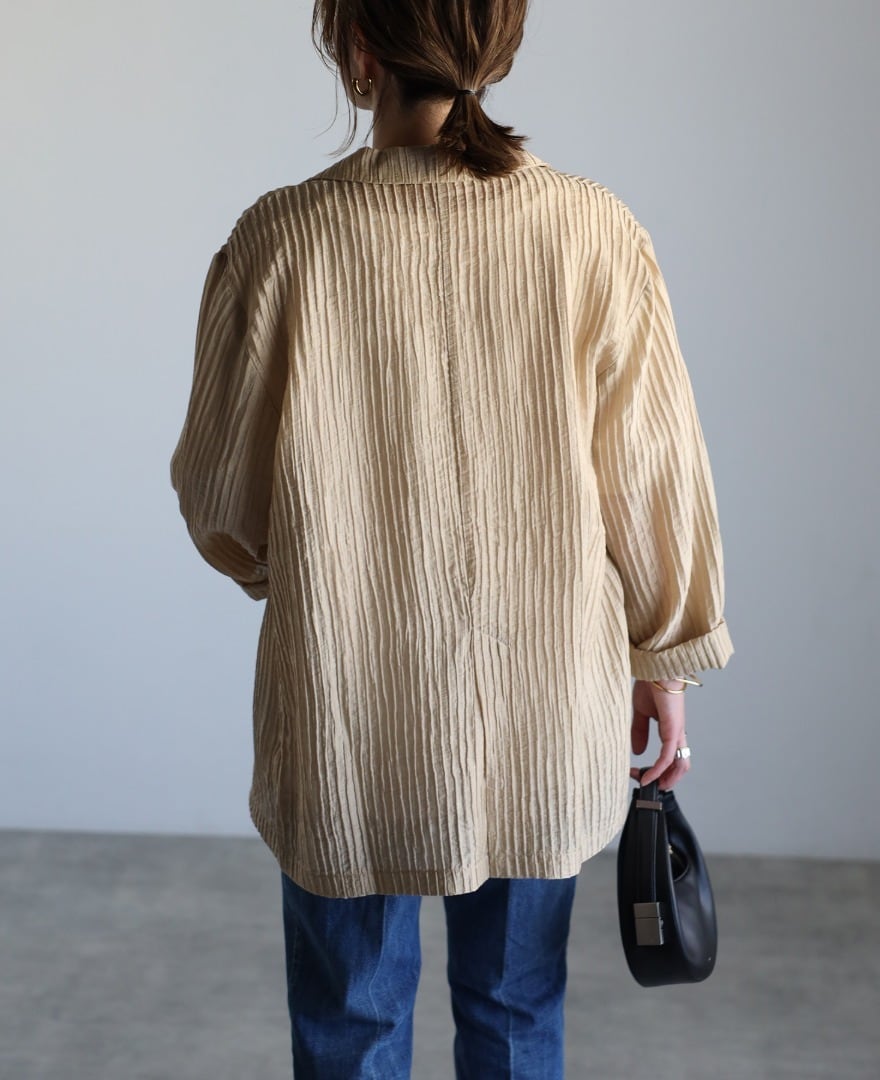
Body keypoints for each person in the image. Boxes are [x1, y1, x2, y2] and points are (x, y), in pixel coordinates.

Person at [170, 1, 734, 1076]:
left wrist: (316, 562)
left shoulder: (282, 240)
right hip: (543, 706)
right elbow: (655, 473)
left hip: (348, 707)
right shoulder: (592, 230)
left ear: (358, 49)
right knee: (517, 1013)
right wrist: (664, 658)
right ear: (498, 46)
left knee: (351, 1024)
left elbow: (221, 501)